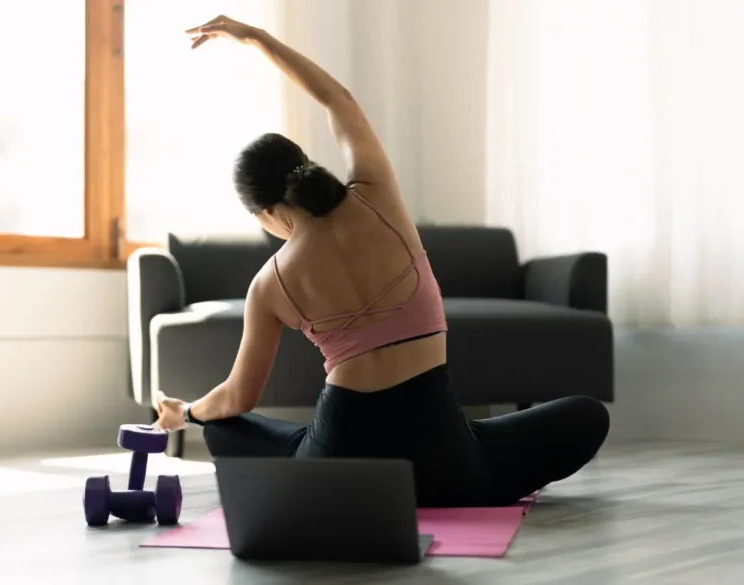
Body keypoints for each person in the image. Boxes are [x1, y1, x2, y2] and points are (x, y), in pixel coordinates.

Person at [153, 15, 610, 507]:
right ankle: (438, 473)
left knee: (225, 427)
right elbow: (337, 99)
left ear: (264, 212)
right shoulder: (377, 196)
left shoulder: (269, 284)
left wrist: (188, 413)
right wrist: (256, 37)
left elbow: (238, 397)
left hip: (337, 464)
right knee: (586, 416)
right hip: (446, 459)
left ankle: (350, 484)